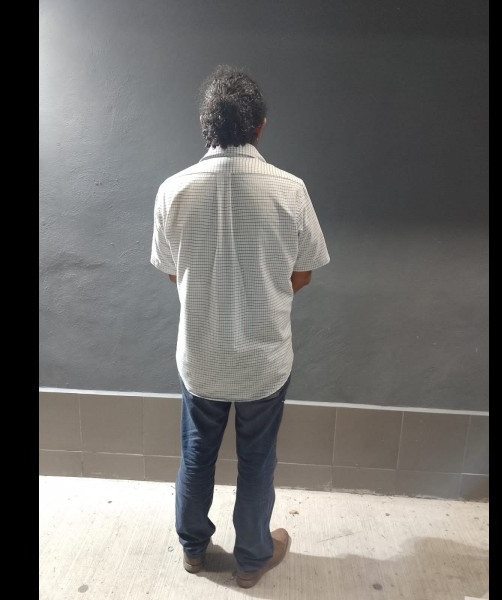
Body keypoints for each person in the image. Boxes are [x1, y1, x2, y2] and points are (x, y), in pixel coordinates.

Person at [150, 65, 330, 589]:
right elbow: (304, 272)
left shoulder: (173, 190)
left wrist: (208, 297)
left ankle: (193, 548)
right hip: (263, 360)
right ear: (260, 127)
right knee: (257, 461)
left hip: (201, 357)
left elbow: (173, 272)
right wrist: (265, 296)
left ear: (205, 126)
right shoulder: (290, 190)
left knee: (195, 454)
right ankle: (252, 559)